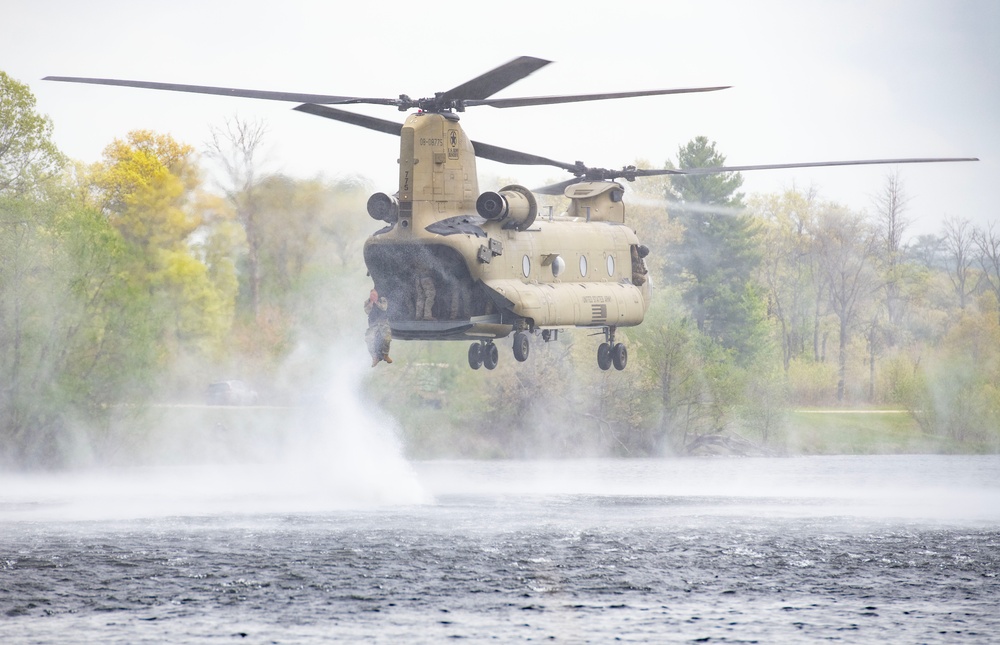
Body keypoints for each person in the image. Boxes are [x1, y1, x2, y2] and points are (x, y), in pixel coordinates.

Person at [364, 288, 392, 367]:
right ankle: (374, 357)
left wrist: (376, 301)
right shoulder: (367, 302)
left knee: (387, 338)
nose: (373, 296)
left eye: (374, 294)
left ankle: (386, 355)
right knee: (369, 339)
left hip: (383, 323)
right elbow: (367, 311)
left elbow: (384, 308)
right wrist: (371, 303)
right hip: (373, 324)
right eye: (372, 295)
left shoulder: (382, 300)